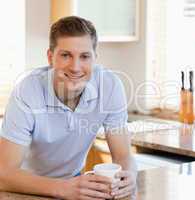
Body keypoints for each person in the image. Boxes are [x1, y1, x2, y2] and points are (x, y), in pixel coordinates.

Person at [0, 16, 137, 200]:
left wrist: (129, 176)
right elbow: (4, 175)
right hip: (23, 188)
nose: (75, 67)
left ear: (95, 57)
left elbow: (123, 155)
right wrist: (64, 189)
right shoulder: (28, 90)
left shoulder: (110, 86)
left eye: (84, 56)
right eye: (66, 55)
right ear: (50, 57)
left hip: (72, 185)